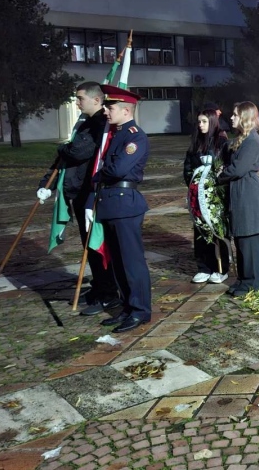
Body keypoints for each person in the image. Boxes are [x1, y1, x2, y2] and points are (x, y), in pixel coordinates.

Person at [36, 81, 120, 317]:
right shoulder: (83, 123)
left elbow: (76, 152)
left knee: (97, 245)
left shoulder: (100, 124)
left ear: (96, 99)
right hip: (78, 192)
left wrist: (63, 148)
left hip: (91, 193)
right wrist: (46, 184)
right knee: (88, 245)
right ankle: (99, 286)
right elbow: (66, 157)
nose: (77, 102)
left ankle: (109, 293)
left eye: (80, 98)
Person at [91, 85, 151, 333]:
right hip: (111, 202)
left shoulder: (135, 136)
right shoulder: (115, 134)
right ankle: (127, 307)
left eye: (110, 107)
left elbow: (115, 170)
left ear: (126, 110)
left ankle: (140, 311)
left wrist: (101, 170)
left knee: (131, 263)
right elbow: (111, 166)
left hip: (125, 203)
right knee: (117, 262)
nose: (106, 111)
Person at [218, 102, 259, 297]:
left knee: (249, 240)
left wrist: (219, 176)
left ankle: (252, 282)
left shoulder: (252, 140)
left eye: (235, 115)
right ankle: (243, 278)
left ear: (245, 117)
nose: (231, 118)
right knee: (241, 239)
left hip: (248, 193)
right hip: (240, 192)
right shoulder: (242, 138)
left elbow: (238, 169)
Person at [184, 109, 230, 284]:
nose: (200, 125)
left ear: (212, 122)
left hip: (215, 196)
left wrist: (213, 184)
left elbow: (225, 167)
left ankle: (221, 268)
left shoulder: (221, 141)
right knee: (200, 230)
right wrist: (195, 182)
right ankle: (203, 267)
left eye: (204, 121)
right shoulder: (196, 142)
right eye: (199, 122)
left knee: (217, 231)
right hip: (198, 196)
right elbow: (188, 166)